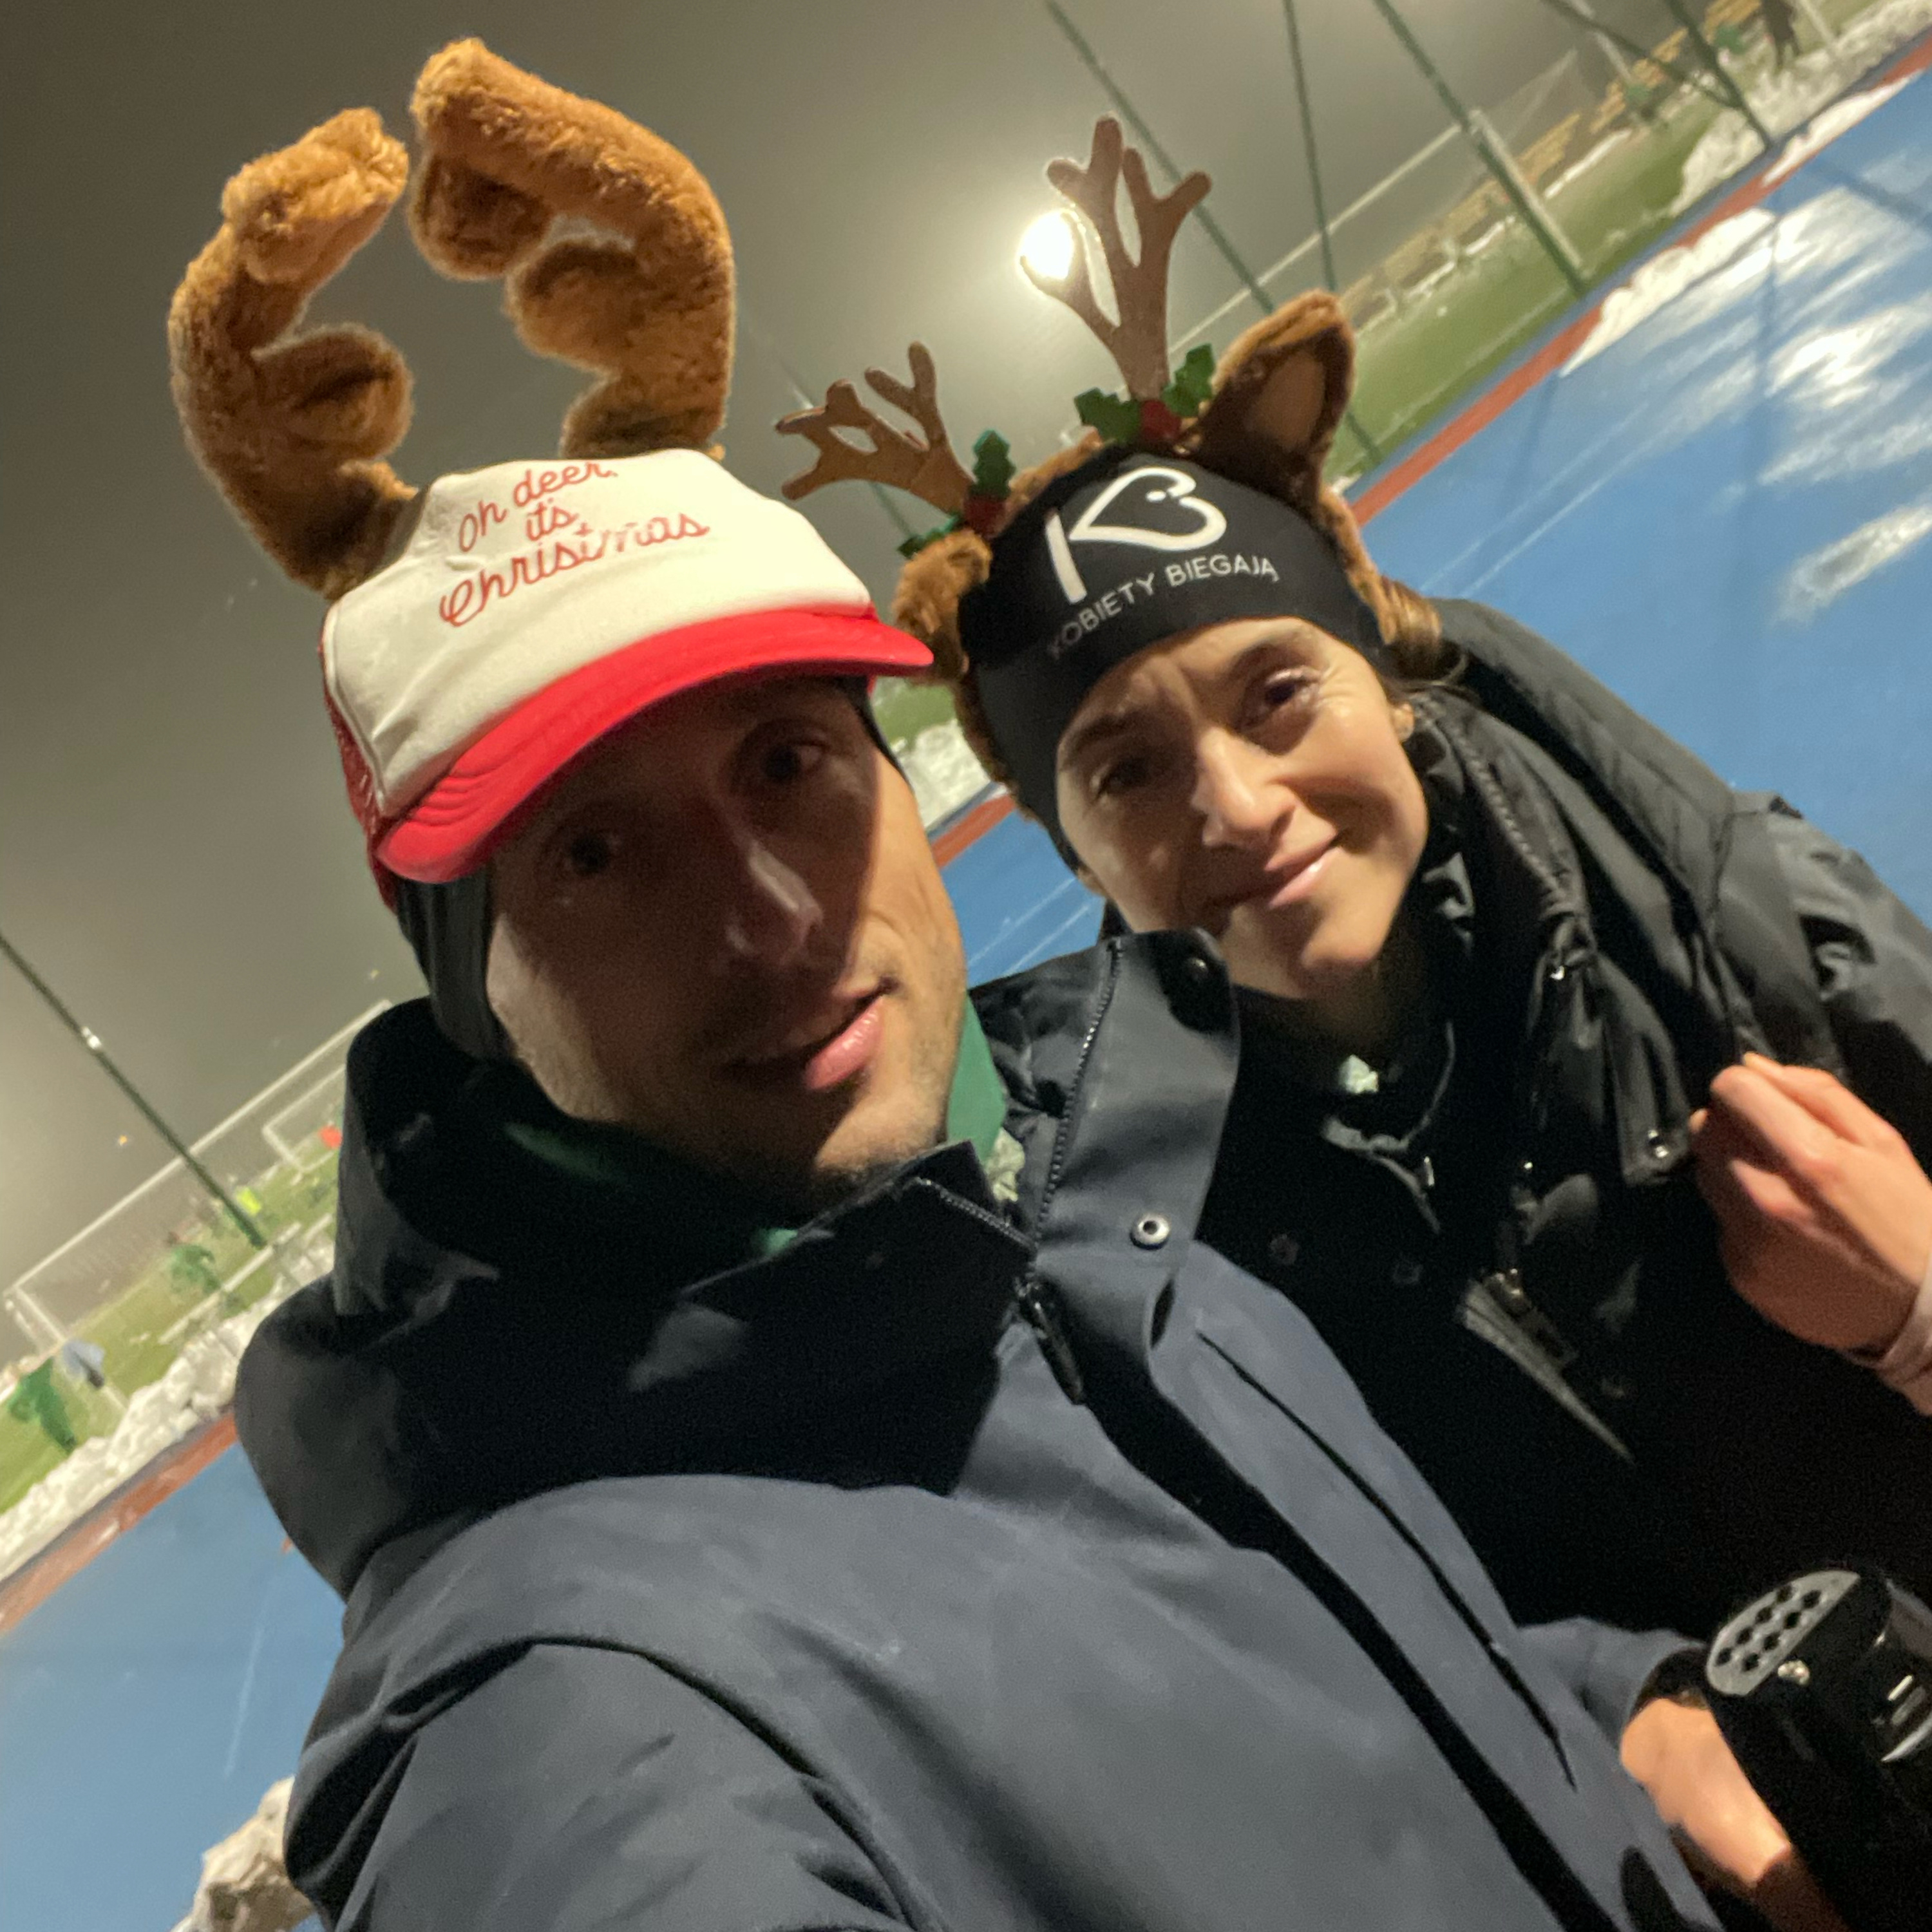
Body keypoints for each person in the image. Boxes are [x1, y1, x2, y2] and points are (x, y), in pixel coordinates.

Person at [169, 46, 1783, 1932]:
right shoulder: (566, 1724)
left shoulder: (1100, 1207)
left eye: (790, 761)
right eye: (595, 856)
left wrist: (1614, 1718)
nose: (769, 915)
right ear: (479, 999)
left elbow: (1350, 1719)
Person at [784, 122, 1932, 1668]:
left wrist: (1921, 1310)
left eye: (1277, 693)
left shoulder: (1744, 932)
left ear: (1385, 679)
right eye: (1126, 771)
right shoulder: (1138, 1262)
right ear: (1077, 859)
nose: (1238, 808)